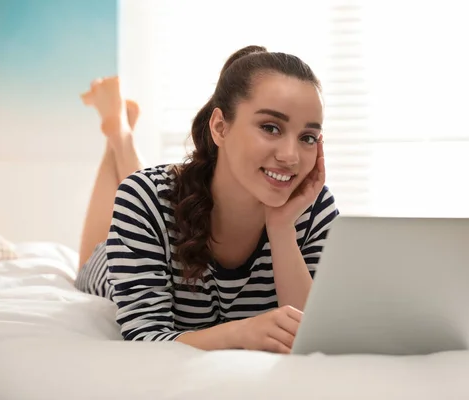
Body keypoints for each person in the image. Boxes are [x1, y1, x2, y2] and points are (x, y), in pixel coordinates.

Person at [75, 45, 339, 354]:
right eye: (270, 128)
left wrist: (281, 229)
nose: (290, 157)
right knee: (135, 208)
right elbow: (144, 337)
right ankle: (119, 134)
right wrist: (240, 332)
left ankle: (120, 133)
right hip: (112, 263)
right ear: (220, 127)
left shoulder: (311, 206)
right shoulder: (143, 197)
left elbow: (311, 335)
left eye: (308, 137)